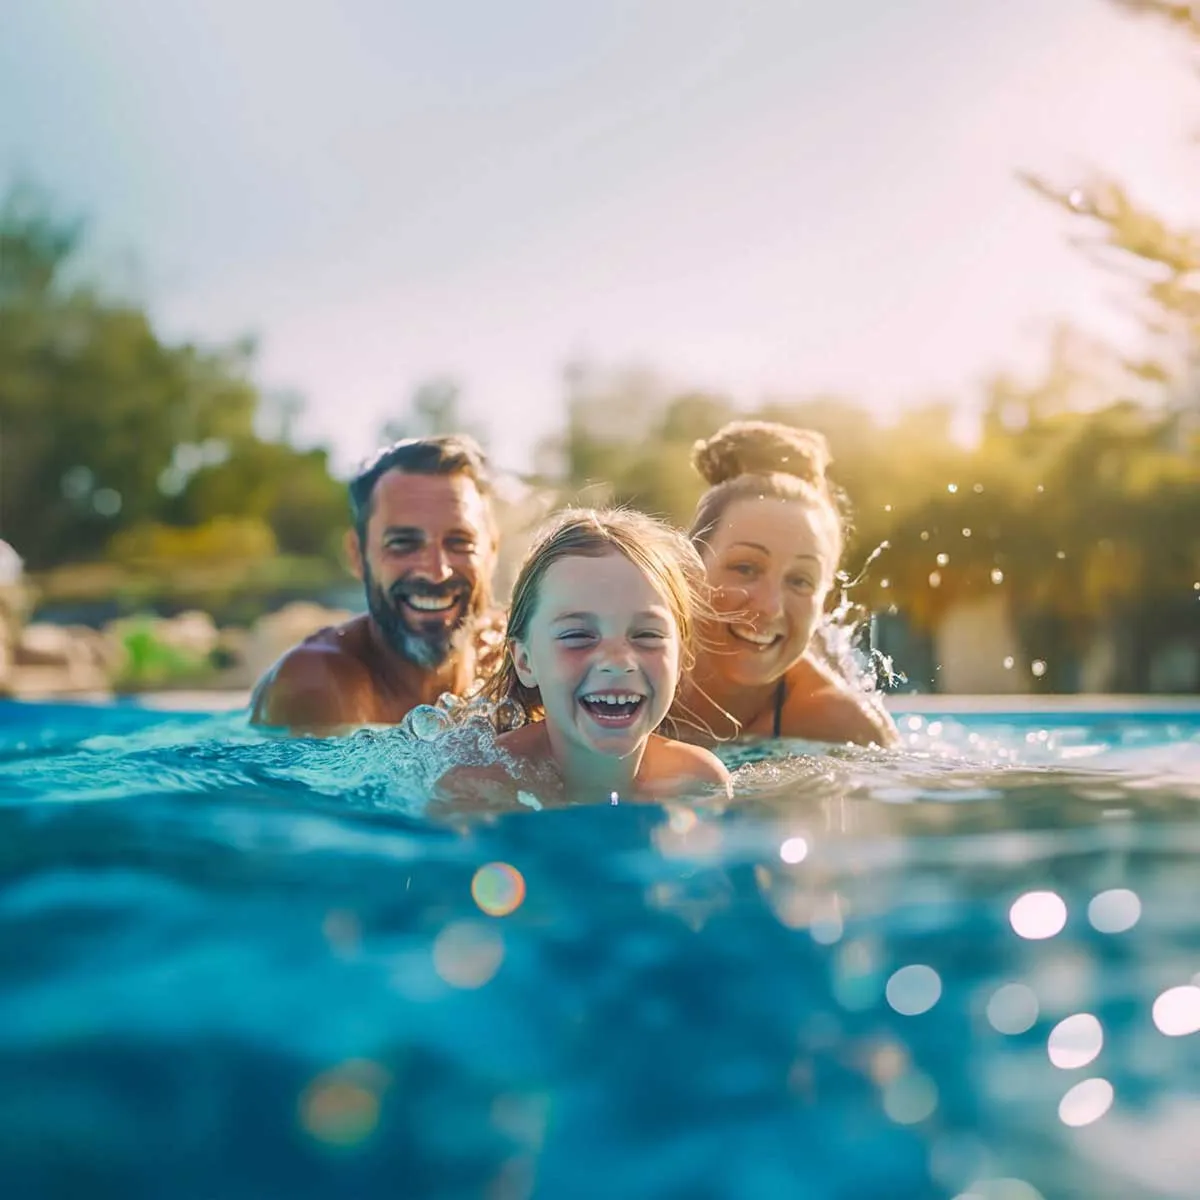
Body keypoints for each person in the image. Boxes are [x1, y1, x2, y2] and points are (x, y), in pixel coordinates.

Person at [433, 508, 731, 810]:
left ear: (680, 659)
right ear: (525, 661)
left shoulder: (696, 783)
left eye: (647, 635)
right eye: (577, 635)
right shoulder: (478, 789)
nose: (617, 660)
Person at [250, 435, 502, 734]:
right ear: (358, 555)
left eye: (460, 542)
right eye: (403, 543)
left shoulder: (514, 658)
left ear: (492, 551)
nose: (437, 572)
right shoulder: (320, 684)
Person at [671, 420, 899, 748]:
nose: (770, 606)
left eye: (800, 581)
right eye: (745, 568)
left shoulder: (844, 727)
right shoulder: (624, 679)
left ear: (824, 602)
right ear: (688, 570)